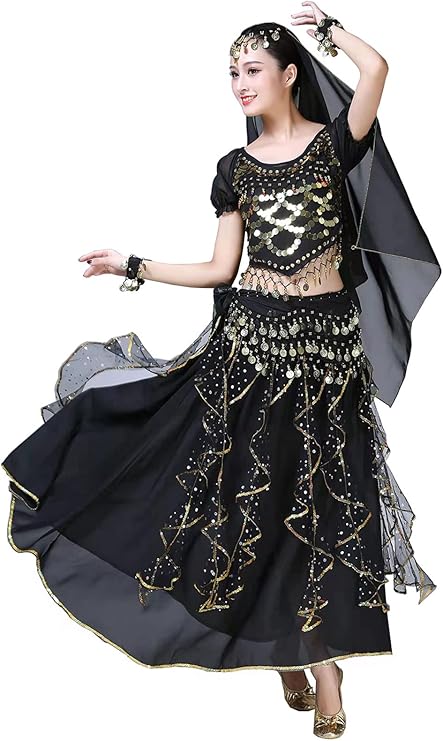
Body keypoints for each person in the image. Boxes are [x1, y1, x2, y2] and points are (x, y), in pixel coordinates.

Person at [1, 5, 439, 739]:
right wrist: (133, 264)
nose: (239, 82)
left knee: (327, 504)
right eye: (232, 72)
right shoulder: (233, 169)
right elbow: (219, 269)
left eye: (252, 69)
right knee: (247, 502)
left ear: (289, 74)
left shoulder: (336, 143)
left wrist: (328, 28)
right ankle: (282, 650)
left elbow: (376, 70)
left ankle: (323, 666)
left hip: (329, 359)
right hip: (250, 351)